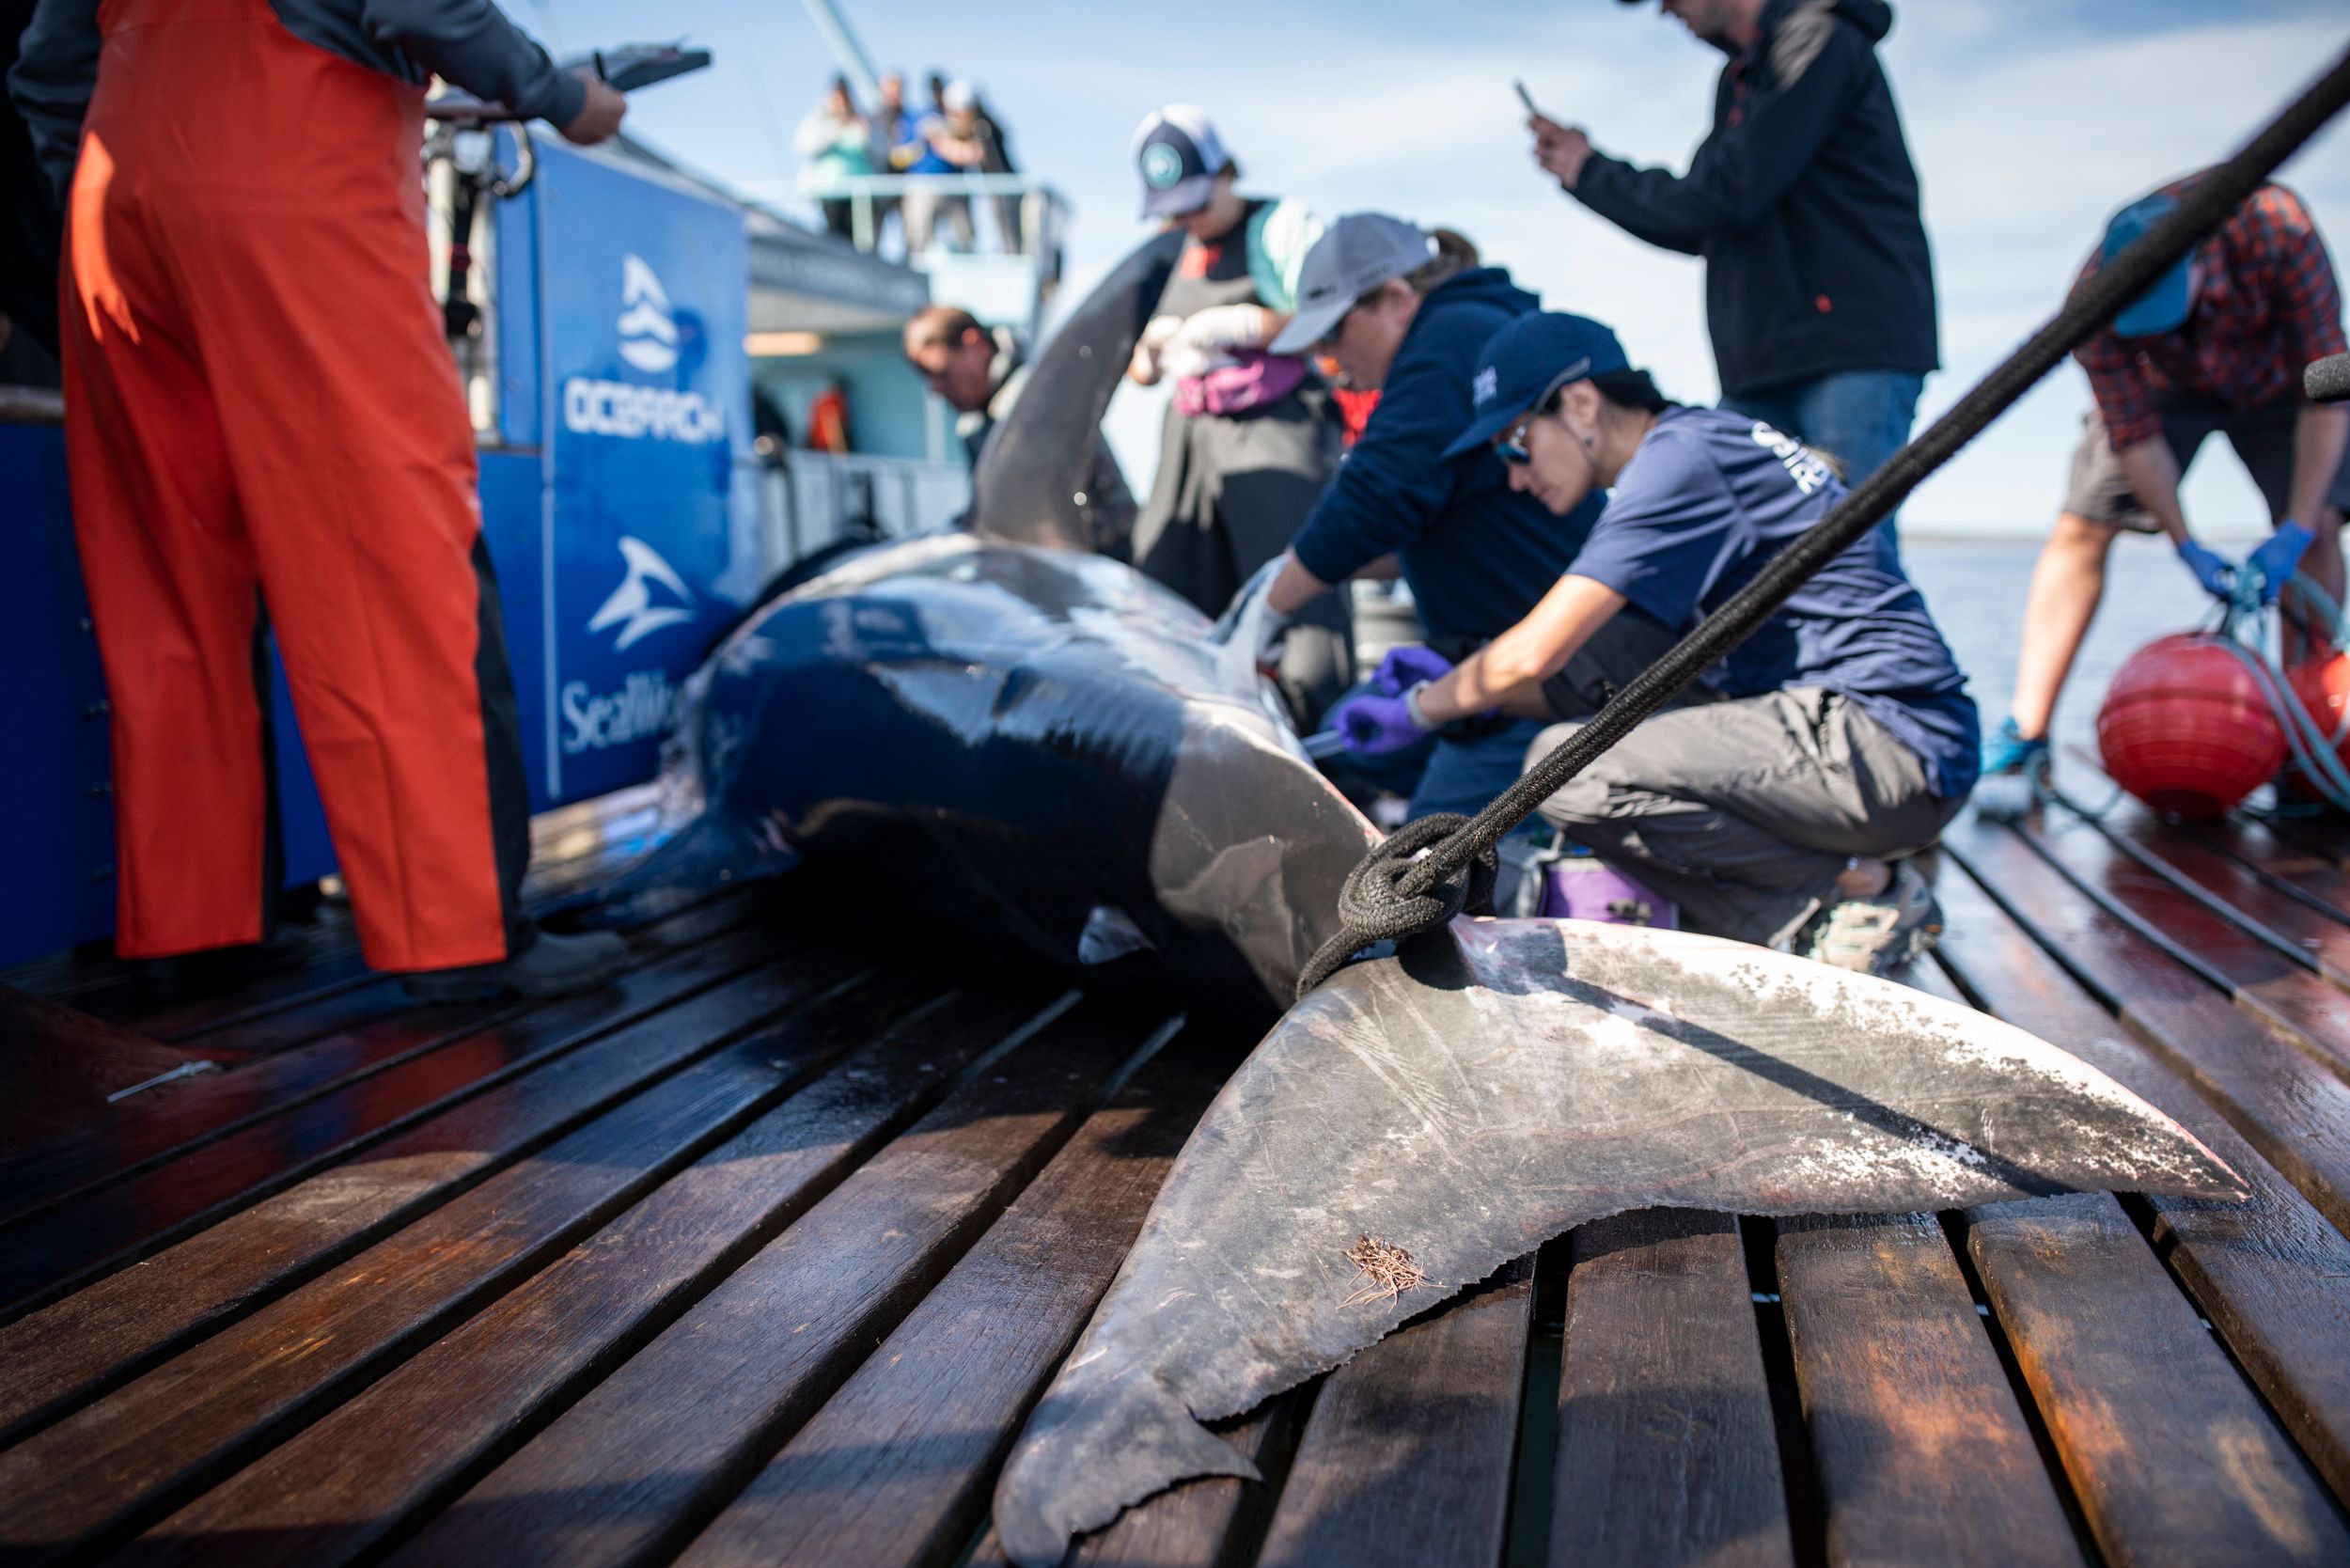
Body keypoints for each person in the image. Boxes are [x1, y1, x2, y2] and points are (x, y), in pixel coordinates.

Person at [9, 0, 630, 999]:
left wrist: (115, 174)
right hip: (288, 184)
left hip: (112, 213)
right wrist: (559, 94)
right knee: (396, 568)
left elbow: (45, 70)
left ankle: (194, 929)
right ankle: (453, 938)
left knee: (165, 580)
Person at [1352, 311, 1976, 974]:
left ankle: (1840, 902)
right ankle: (1829, 893)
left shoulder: (1679, 461)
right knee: (1599, 698)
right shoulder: (1705, 445)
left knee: (1568, 767)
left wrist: (1421, 707)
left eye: (1515, 442)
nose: (1514, 475)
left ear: (1582, 403)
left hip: (1889, 746)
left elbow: (1534, 652)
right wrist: (1472, 692)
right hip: (1889, 744)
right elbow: (1601, 668)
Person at [1251, 214, 1680, 822]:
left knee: (1421, 869)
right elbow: (1436, 511)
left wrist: (1265, 611)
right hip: (1478, 654)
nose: (1328, 361)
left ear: (1396, 300)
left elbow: (1376, 496)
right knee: (1343, 753)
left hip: (1533, 678)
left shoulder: (1448, 340)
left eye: (1334, 335)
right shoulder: (1472, 330)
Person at [1982, 179, 2348, 797]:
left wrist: (2299, 525)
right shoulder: (2091, 304)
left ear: (2204, 257)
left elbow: (2332, 381)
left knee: (2323, 527)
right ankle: (2028, 732)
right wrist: (2184, 542)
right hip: (2163, 389)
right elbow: (2132, 434)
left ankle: (2304, 736)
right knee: (2083, 524)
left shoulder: (2283, 229)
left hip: (2289, 387)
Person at [1528, 0, 1935, 533]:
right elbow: (1702, 219)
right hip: (1761, 362)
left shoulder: (1817, 40)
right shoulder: (1741, 77)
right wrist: (1584, 173)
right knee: (1746, 556)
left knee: (1848, 550)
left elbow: (1729, 196)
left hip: (1847, 351)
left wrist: (1590, 170)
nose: (1665, 11)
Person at [1124, 103, 1349, 724]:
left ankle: (1326, 751)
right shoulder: (1166, 253)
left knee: (1300, 611)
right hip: (1190, 437)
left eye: (1197, 201)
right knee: (1165, 583)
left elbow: (1332, 322)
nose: (1187, 218)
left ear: (1224, 172)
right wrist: (1151, 349)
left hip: (1274, 429)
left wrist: (1246, 325)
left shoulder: (1278, 227)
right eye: (1174, 208)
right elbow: (1137, 375)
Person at [902, 303, 1136, 558]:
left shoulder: (1032, 403)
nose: (936, 388)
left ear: (974, 344)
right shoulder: (977, 424)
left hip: (1096, 565)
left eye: (941, 373)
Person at [901, 76, 983, 253]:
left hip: (955, 187)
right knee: (919, 236)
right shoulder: (920, 118)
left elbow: (973, 151)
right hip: (923, 186)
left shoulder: (964, 121)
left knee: (964, 235)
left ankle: (968, 259)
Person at [794, 74, 872, 243]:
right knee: (834, 237)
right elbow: (804, 145)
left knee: (858, 241)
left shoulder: (861, 120)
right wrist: (834, 130)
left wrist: (867, 132)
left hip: (858, 194)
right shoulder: (818, 120)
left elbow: (875, 150)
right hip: (830, 191)